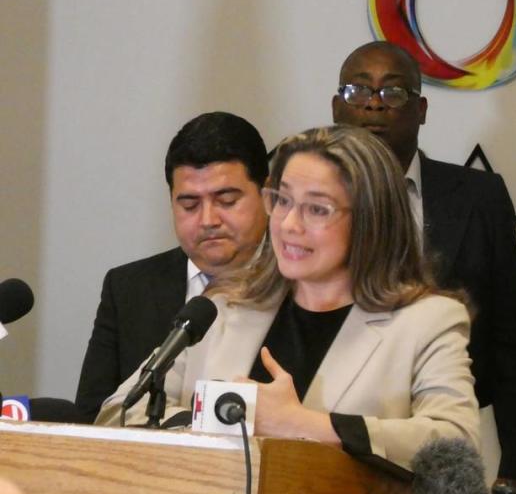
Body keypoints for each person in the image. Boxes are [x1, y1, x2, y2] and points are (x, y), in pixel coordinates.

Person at [97, 126, 479, 470]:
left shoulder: (428, 320)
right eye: (282, 201)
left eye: (316, 209)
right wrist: (227, 419)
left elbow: (456, 444)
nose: (289, 225)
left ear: (370, 219)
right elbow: (118, 412)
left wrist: (305, 426)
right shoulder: (224, 305)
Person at [331, 41, 516, 494]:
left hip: (449, 439)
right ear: (336, 105)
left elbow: (512, 337)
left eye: (394, 92)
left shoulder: (479, 197)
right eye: (358, 89)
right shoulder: (308, 200)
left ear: (422, 109)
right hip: (339, 434)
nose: (373, 104)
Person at [74, 111, 269, 423]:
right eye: (189, 205)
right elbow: (92, 417)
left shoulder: (300, 286)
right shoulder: (128, 287)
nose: (208, 220)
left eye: (227, 200)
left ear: (268, 195)